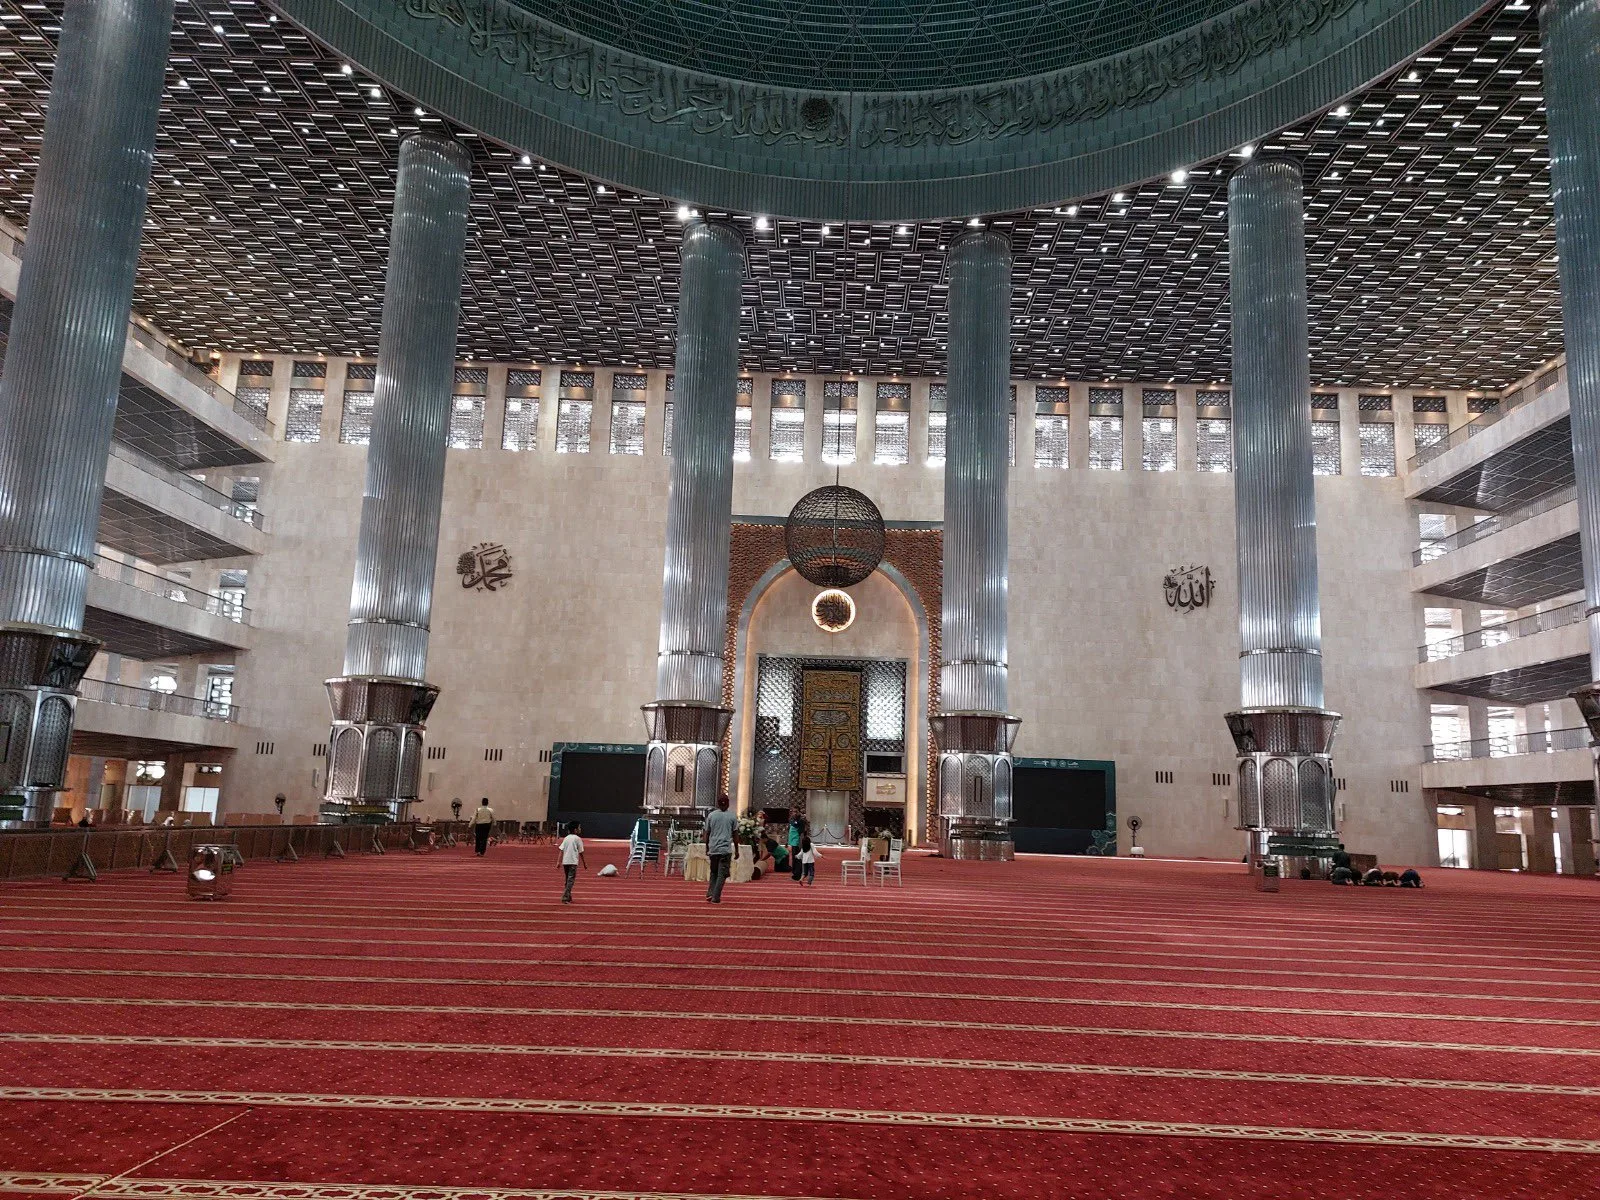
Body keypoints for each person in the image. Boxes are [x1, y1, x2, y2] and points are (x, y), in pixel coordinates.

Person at [704, 793, 737, 904]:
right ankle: (715, 897)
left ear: (717, 804)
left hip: (713, 849)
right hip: (725, 850)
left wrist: (706, 847)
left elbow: (707, 833)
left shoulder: (712, 815)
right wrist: (737, 850)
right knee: (722, 874)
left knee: (713, 872)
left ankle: (710, 893)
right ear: (728, 803)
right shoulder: (732, 816)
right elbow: (735, 834)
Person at [558, 821, 586, 903]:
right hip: (573, 862)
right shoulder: (578, 839)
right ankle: (565, 897)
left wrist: (558, 862)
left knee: (567, 880)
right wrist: (584, 863)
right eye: (579, 827)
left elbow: (561, 850)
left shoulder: (566, 838)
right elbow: (581, 852)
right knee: (570, 880)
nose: (580, 829)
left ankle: (568, 896)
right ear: (575, 830)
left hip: (565, 861)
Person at [788, 811, 805, 882]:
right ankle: (795, 873)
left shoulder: (799, 821)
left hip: (797, 843)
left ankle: (797, 875)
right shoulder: (793, 821)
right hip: (793, 842)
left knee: (797, 859)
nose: (793, 813)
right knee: (795, 859)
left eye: (795, 812)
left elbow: (800, 830)